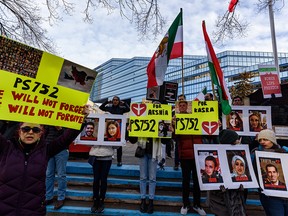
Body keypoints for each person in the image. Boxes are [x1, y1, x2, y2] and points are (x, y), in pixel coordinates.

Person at [0, 106, 89, 215]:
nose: (30, 132)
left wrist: (80, 118)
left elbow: (65, 139)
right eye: (26, 129)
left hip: (33, 211)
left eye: (36, 129)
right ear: (19, 131)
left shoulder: (46, 150)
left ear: (40, 133)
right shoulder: (6, 148)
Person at [172, 100, 206, 216]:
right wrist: (173, 125)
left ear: (187, 107)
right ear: (178, 107)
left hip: (197, 155)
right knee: (185, 181)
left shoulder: (196, 117)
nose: (182, 107)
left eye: (183, 105)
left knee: (197, 182)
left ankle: (197, 204)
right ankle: (185, 204)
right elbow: (174, 137)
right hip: (185, 156)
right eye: (180, 105)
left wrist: (216, 124)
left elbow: (207, 132)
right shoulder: (176, 119)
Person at [207, 129, 246, 216]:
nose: (238, 141)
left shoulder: (238, 155)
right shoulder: (217, 156)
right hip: (220, 196)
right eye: (236, 140)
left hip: (233, 195)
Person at [251, 129, 288, 215]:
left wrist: (285, 155)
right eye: (260, 140)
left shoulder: (284, 150)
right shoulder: (256, 152)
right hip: (270, 194)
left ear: (272, 140)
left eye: (265, 139)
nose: (262, 142)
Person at [128, 135, 165, 214]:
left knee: (152, 178)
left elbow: (165, 140)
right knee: (143, 177)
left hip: (153, 152)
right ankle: (143, 200)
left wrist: (168, 131)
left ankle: (151, 201)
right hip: (143, 151)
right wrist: (129, 131)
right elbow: (133, 140)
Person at [88, 137, 120, 213]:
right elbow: (87, 143)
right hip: (95, 157)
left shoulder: (111, 128)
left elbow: (117, 146)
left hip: (107, 158)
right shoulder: (95, 128)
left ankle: (101, 200)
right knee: (96, 179)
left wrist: (119, 139)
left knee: (103, 179)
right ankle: (95, 200)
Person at [99, 95, 130, 166]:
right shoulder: (109, 108)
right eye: (114, 100)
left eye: (116, 100)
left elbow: (128, 109)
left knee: (119, 146)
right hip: (110, 128)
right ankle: (108, 159)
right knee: (109, 144)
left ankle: (119, 161)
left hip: (119, 128)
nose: (115, 101)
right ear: (112, 101)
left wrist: (124, 103)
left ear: (119, 101)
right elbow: (101, 107)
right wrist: (107, 102)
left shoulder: (121, 108)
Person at [45, 126, 69, 210]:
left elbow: (68, 136)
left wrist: (60, 129)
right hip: (49, 147)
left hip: (61, 149)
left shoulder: (67, 118)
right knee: (48, 174)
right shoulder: (50, 118)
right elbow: (45, 132)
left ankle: (61, 198)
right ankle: (48, 197)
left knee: (61, 174)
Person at [173, 94, 186, 171]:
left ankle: (183, 164)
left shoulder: (190, 113)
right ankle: (176, 164)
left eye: (182, 99)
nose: (180, 101)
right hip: (178, 133)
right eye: (179, 100)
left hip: (187, 134)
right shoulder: (175, 112)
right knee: (177, 149)